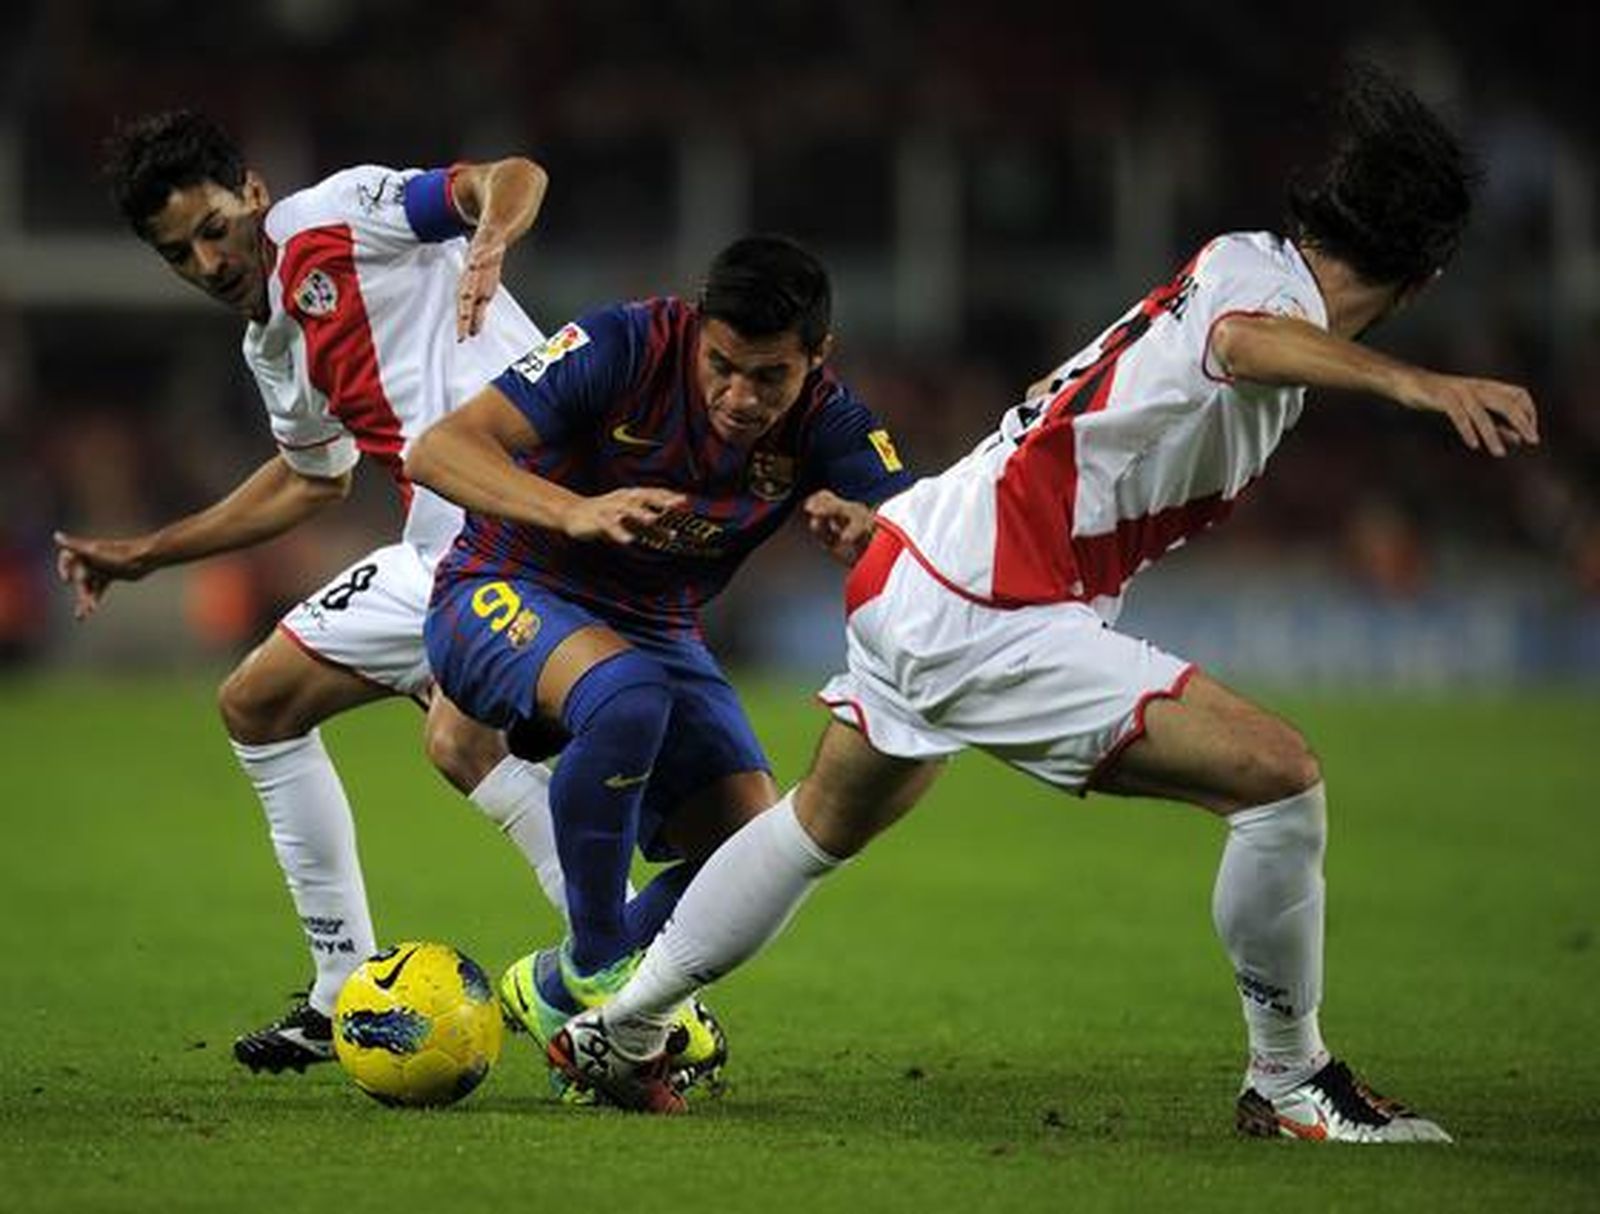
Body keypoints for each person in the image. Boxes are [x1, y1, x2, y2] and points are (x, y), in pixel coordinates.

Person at [547, 65, 1541, 1136]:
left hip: (923, 557)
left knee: (819, 822)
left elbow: (1061, 399)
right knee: (1278, 780)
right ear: (1425, 275)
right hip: (988, 598)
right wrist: (1418, 384)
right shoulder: (1265, 307)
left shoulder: (1238, 260)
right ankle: (1290, 1075)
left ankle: (621, 1025)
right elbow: (1238, 345)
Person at [53, 110, 575, 1074]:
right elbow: (311, 477)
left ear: (251, 193)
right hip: (455, 540)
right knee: (282, 708)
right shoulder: (273, 347)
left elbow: (508, 171)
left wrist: (490, 237)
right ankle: (369, 985)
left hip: (507, 515)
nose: (209, 262)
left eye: (213, 228)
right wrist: (150, 552)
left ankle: (609, 969)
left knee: (441, 733)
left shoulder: (331, 216)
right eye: (179, 255)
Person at [405, 234, 915, 1100]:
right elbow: (440, 451)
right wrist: (572, 511)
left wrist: (874, 538)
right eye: (723, 365)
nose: (740, 395)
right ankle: (605, 975)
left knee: (752, 847)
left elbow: (926, 530)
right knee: (626, 694)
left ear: (816, 359)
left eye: (771, 377)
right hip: (503, 582)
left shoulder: (833, 421)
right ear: (694, 329)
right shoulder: (622, 344)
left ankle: (560, 995)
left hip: (653, 625)